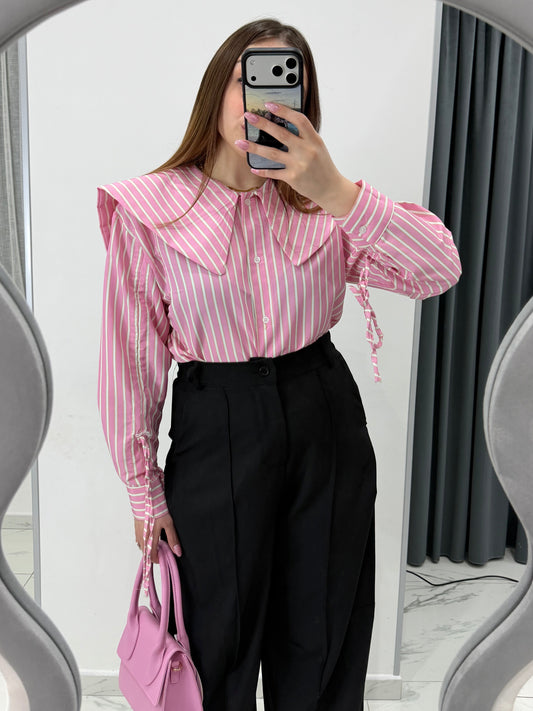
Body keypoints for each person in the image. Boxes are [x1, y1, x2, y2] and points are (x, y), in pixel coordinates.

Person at [96, 17, 461, 711]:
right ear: (217, 89)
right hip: (215, 426)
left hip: (323, 413)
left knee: (323, 630)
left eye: (283, 86)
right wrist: (143, 489)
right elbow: (130, 356)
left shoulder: (327, 203)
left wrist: (338, 191)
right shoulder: (151, 211)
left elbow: (438, 268)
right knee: (215, 639)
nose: (261, 102)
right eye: (248, 81)